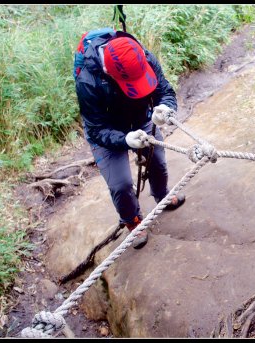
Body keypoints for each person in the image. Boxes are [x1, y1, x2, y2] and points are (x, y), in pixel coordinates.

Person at [75, 32, 185, 249]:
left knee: (158, 162)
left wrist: (165, 107)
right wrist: (125, 140)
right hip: (106, 131)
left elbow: (164, 90)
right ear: (111, 73)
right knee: (121, 184)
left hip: (140, 118)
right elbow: (96, 129)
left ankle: (161, 195)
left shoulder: (142, 56)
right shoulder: (87, 80)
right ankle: (132, 220)